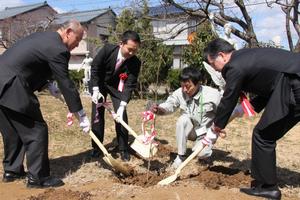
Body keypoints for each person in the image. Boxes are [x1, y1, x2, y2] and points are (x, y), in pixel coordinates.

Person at [203, 38, 300, 200]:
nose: (217, 70)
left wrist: (215, 128)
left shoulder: (233, 66)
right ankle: (264, 183)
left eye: (213, 65)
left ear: (221, 56)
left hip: (293, 83)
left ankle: (269, 187)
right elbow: (271, 85)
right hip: (291, 79)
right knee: (264, 134)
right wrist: (247, 108)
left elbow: (229, 98)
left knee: (263, 135)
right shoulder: (246, 57)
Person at [0, 20, 91, 188]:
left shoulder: (44, 37)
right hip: (12, 85)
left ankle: (12, 171)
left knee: (13, 129)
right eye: (77, 41)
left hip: (2, 82)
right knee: (36, 129)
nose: (76, 46)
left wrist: (47, 85)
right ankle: (38, 178)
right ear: (68, 32)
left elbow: (31, 63)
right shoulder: (58, 49)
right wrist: (80, 113)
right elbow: (66, 82)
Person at [150, 67, 222, 168]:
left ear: (198, 83)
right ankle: (181, 156)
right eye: (182, 85)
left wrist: (219, 127)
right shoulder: (180, 92)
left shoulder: (213, 95)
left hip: (206, 133)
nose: (184, 89)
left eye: (188, 86)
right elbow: (170, 104)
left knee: (201, 154)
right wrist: (160, 109)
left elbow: (224, 112)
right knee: (182, 120)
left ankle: (204, 157)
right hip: (191, 130)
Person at [90, 30, 141, 162]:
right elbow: (95, 68)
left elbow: (130, 84)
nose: (131, 53)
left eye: (135, 51)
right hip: (99, 84)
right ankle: (97, 148)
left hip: (116, 87)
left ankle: (123, 148)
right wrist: (95, 89)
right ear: (121, 44)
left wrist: (122, 105)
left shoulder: (135, 62)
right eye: (129, 49)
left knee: (122, 116)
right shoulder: (107, 50)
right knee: (97, 114)